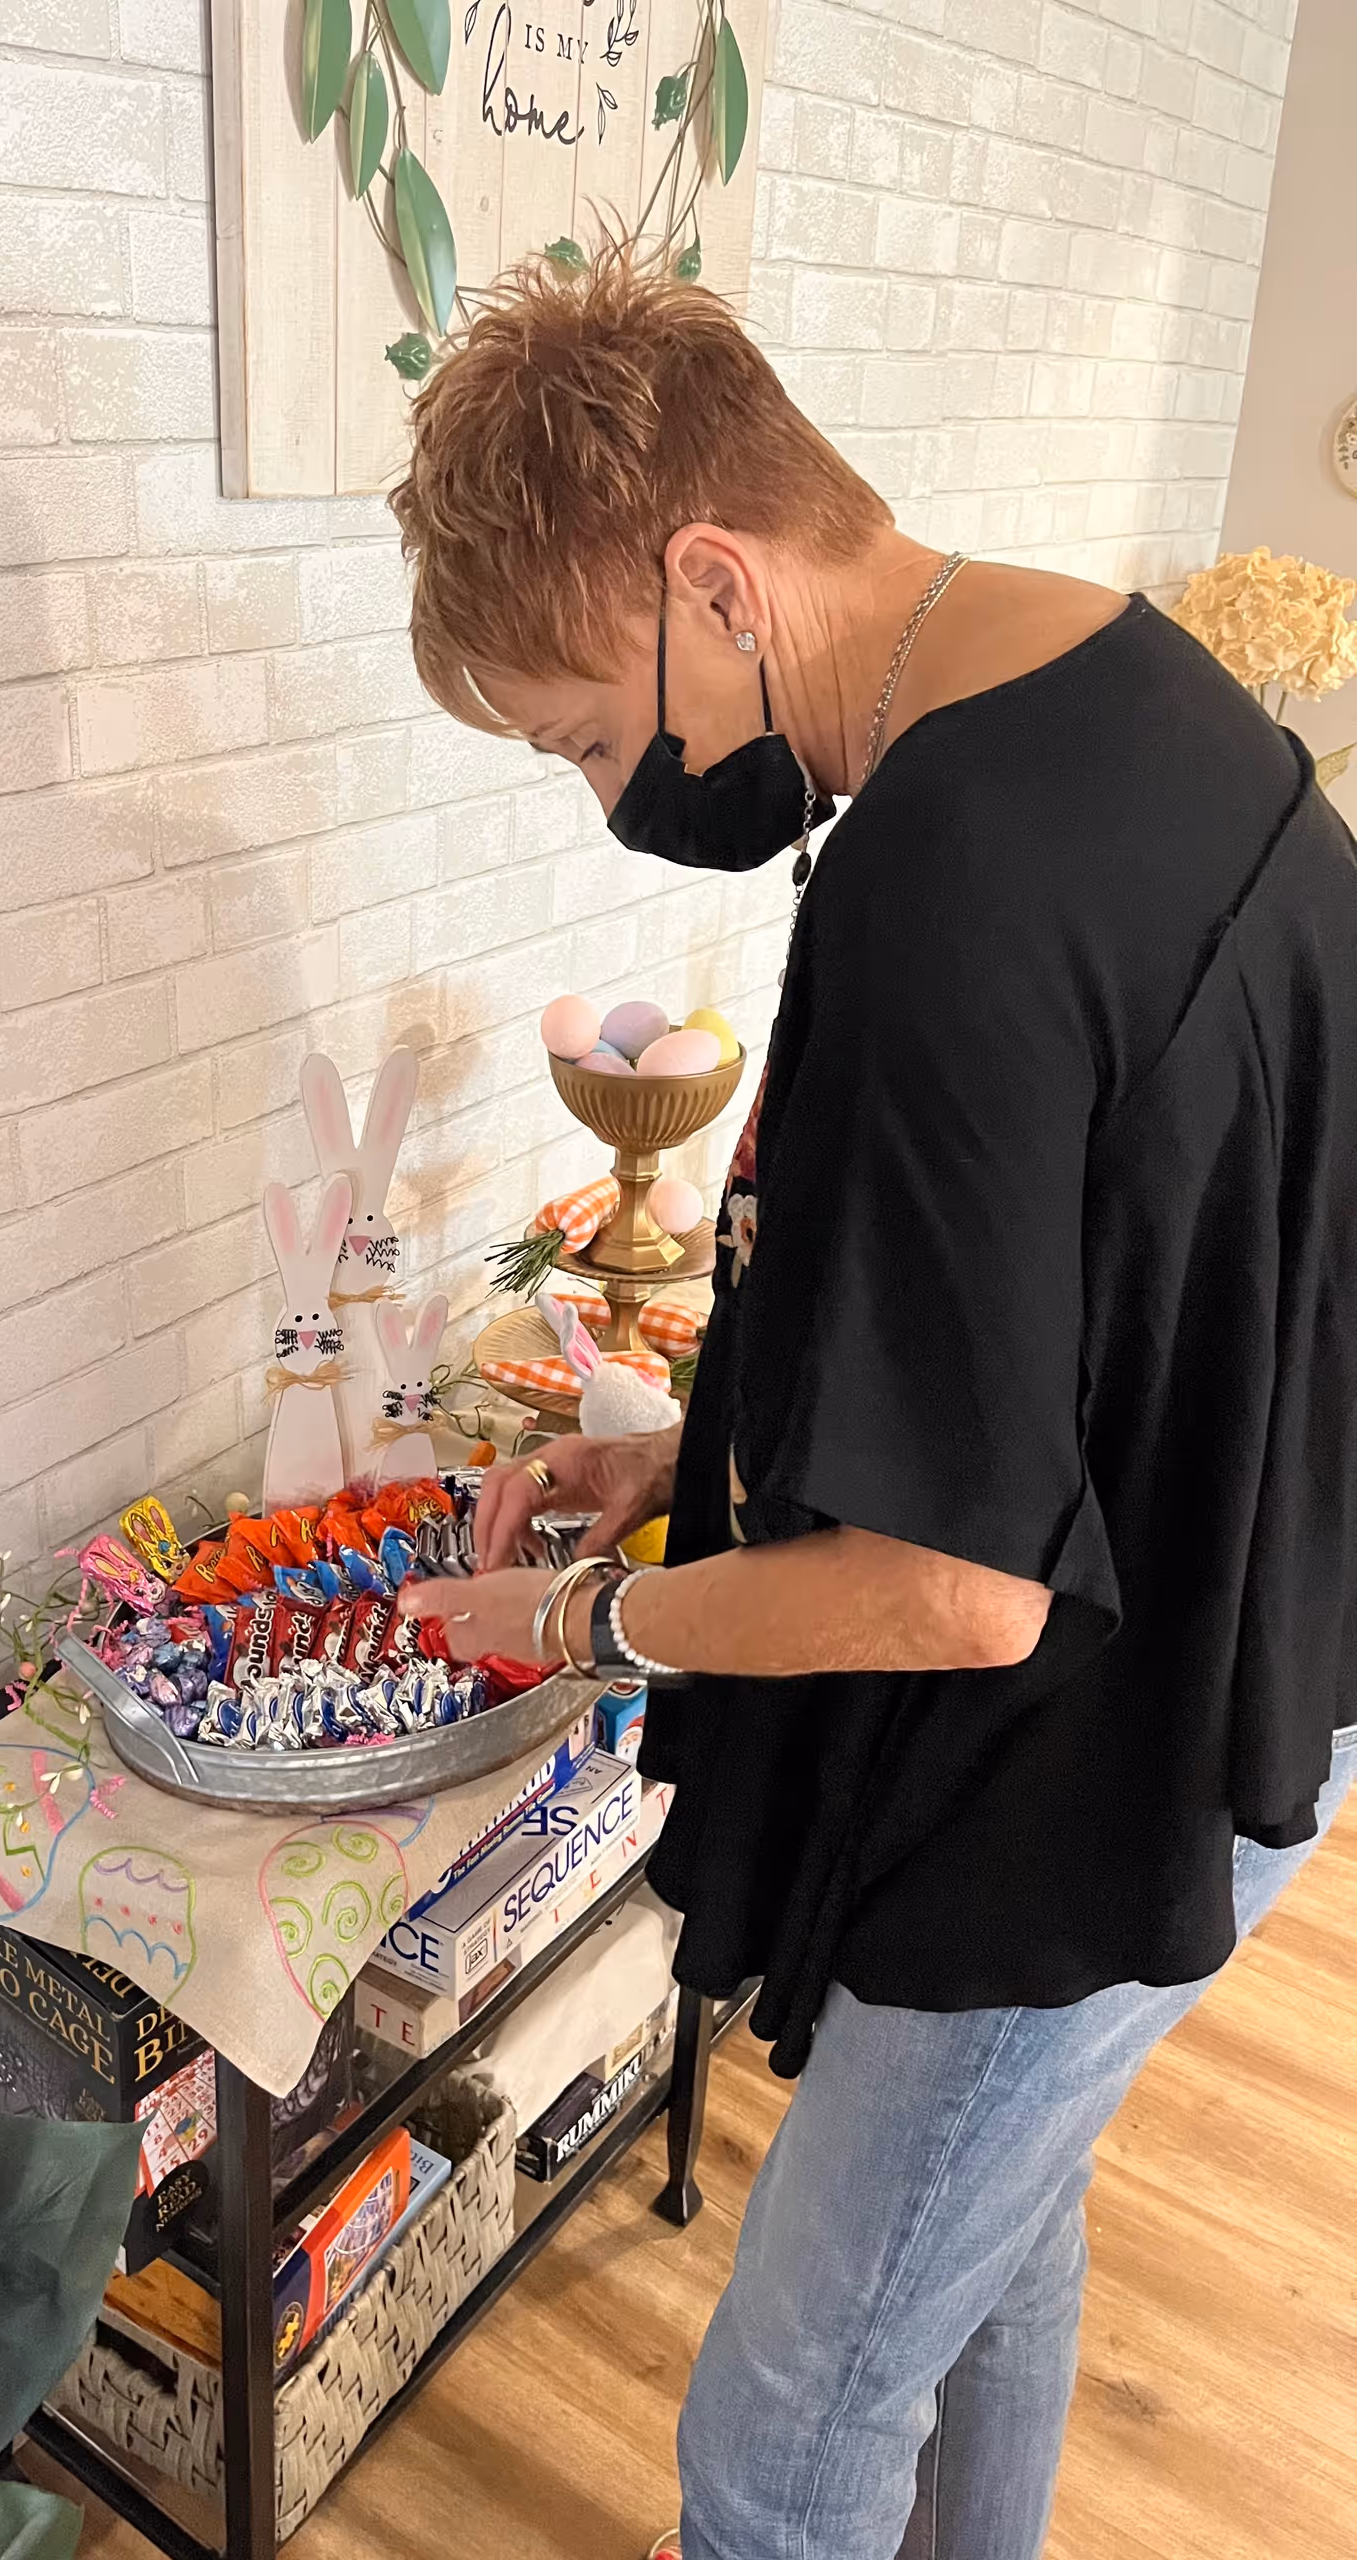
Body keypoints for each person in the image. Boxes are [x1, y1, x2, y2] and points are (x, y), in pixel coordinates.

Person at [388, 241, 1357, 2560]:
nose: (608, 797)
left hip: (1099, 1757)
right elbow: (1090, 1270)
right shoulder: (1117, 673)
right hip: (1263, 1617)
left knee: (788, 2422)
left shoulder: (947, 879)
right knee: (985, 2236)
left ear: (715, 585)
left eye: (587, 738)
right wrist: (697, 1453)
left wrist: (595, 1623)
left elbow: (954, 1586)